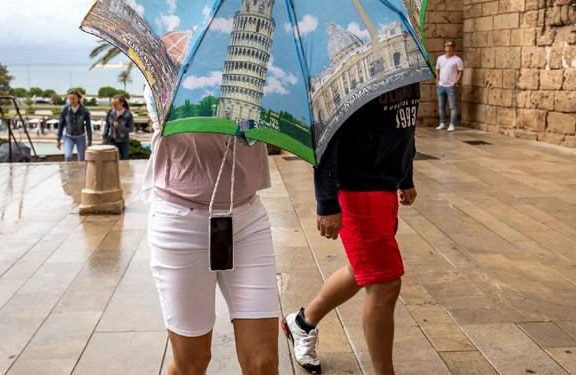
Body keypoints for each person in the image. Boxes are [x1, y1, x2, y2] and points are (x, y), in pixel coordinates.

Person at [283, 83, 420, 375]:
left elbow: (404, 124)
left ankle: (302, 322)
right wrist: (327, 202)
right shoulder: (350, 79)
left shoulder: (408, 66)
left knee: (364, 269)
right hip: (358, 189)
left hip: (385, 186)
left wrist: (406, 175)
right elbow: (327, 137)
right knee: (385, 284)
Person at [142, 89, 279, 375]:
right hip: (181, 222)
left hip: (247, 217)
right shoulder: (172, 59)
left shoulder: (265, 61)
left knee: (263, 362)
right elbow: (165, 119)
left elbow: (264, 130)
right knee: (192, 363)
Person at [56, 89, 93, 162]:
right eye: (70, 99)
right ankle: (68, 172)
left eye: (73, 98)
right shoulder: (65, 109)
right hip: (68, 137)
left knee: (81, 159)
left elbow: (88, 127)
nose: (71, 100)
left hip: (81, 137)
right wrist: (58, 139)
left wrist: (89, 141)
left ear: (78, 98)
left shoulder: (84, 110)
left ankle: (81, 173)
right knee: (68, 156)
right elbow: (61, 124)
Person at [436, 40, 464, 132]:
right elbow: (437, 70)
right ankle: (442, 123)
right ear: (445, 47)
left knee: (452, 106)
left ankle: (452, 124)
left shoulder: (457, 59)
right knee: (441, 106)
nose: (448, 47)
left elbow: (460, 71)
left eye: (450, 45)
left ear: (453, 47)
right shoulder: (440, 58)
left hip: (451, 86)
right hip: (441, 85)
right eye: (447, 45)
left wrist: (455, 82)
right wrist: (437, 82)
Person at [103, 94, 134, 159]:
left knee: (124, 159)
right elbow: (107, 124)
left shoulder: (128, 114)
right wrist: (104, 136)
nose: (113, 106)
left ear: (122, 103)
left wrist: (119, 127)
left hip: (124, 141)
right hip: (112, 140)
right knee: (111, 159)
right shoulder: (111, 112)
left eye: (115, 104)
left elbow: (131, 129)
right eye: (112, 104)